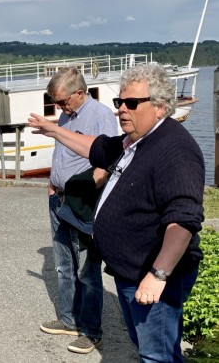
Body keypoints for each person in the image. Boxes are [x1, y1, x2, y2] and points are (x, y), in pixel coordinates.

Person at [28, 63, 204, 362]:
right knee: (146, 346)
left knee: (157, 355)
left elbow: (183, 220)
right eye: (119, 101)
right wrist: (55, 130)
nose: (121, 109)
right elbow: (97, 148)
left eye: (132, 103)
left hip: (151, 273)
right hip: (130, 270)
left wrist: (158, 274)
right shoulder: (135, 140)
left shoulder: (175, 150)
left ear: (159, 107)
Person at [38, 67, 117, 354]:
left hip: (81, 199)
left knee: (86, 267)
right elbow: (63, 152)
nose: (58, 107)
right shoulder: (66, 115)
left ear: (80, 93)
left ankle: (91, 331)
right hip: (58, 197)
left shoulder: (100, 115)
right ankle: (69, 320)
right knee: (63, 264)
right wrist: (52, 182)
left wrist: (87, 192)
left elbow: (107, 161)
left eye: (61, 101)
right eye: (55, 102)